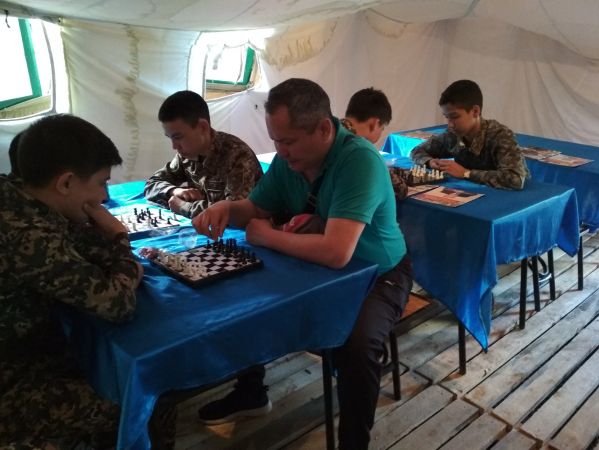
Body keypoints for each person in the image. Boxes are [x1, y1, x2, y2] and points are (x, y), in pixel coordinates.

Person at [192, 78, 412, 450]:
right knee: (245, 298)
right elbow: (256, 208)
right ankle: (251, 392)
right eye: (276, 140)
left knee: (356, 347)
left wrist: (267, 236)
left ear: (324, 129)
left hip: (379, 273)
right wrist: (228, 208)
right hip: (319, 268)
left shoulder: (359, 161)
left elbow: (337, 252)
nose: (280, 151)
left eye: (288, 141)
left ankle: (353, 443)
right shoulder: (289, 160)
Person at [0, 114, 170, 449]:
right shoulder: (27, 235)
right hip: (13, 384)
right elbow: (118, 304)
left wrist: (111, 253)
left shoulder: (19, 196)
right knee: (143, 399)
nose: (105, 196)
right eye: (102, 183)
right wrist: (120, 239)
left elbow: (86, 247)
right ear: (65, 183)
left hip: (31, 352)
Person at [144, 90, 263, 218]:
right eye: (170, 138)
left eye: (178, 137)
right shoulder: (186, 155)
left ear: (203, 127)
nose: (174, 146)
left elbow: (233, 213)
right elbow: (152, 184)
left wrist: (184, 207)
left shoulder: (238, 156)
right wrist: (174, 191)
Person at [410, 79, 529, 190]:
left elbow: (515, 179)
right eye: (447, 117)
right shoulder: (453, 135)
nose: (450, 124)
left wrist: (466, 173)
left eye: (455, 117)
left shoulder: (500, 135)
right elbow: (417, 150)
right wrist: (430, 162)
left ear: (475, 111)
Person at [342, 87, 408, 200]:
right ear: (374, 124)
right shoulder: (361, 150)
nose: (381, 132)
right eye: (382, 128)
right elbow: (400, 190)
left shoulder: (330, 130)